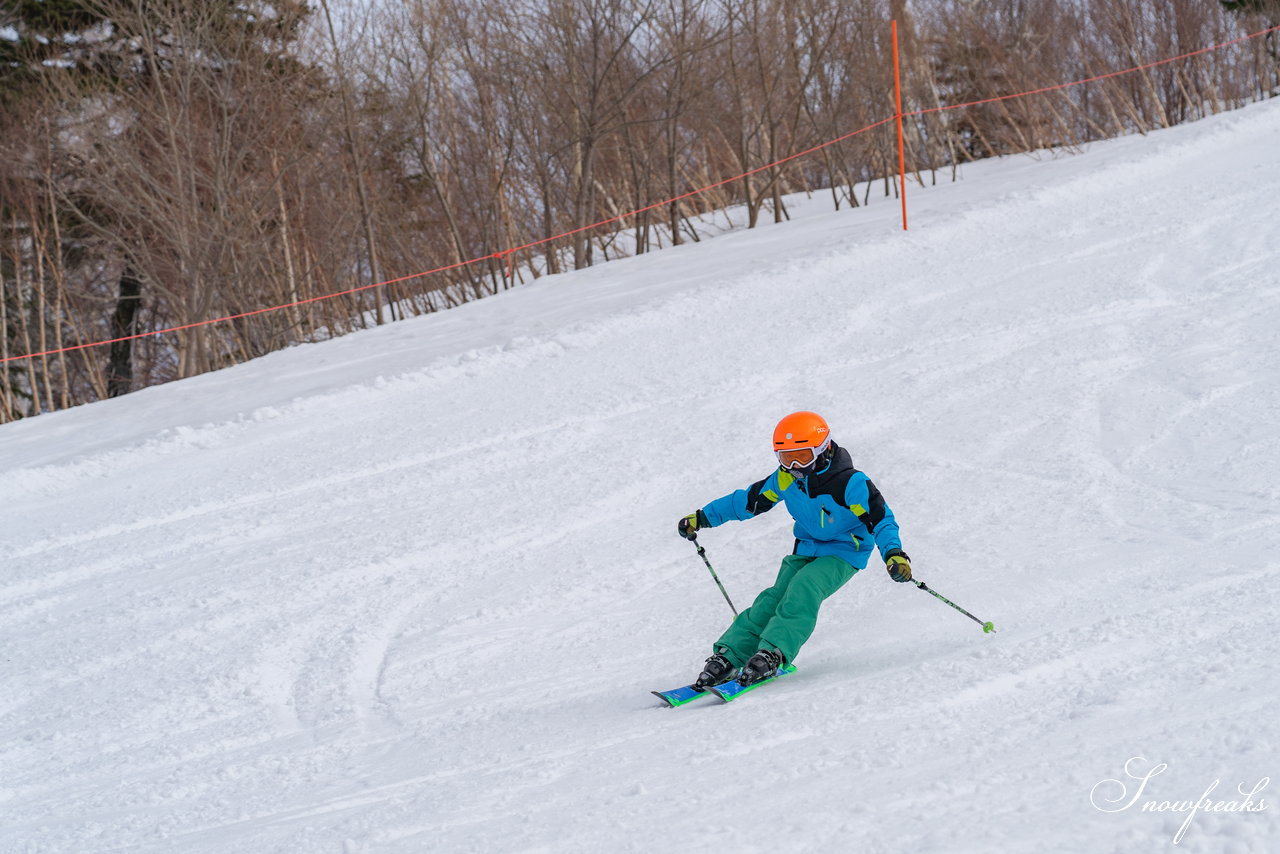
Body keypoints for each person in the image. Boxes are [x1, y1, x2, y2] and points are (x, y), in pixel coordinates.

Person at [677, 411, 912, 688]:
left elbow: (881, 519)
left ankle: (774, 652)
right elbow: (747, 502)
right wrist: (703, 517)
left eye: (803, 455)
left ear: (823, 449)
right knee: (773, 598)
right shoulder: (786, 479)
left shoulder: (850, 483)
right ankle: (730, 655)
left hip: (845, 550)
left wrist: (894, 553)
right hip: (806, 548)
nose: (795, 465)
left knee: (804, 587)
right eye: (787, 458)